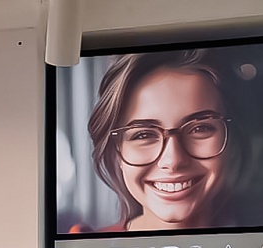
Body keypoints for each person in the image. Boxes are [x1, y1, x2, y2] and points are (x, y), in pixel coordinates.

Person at [74, 49, 247, 233]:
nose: (173, 161)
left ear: (230, 140)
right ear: (117, 152)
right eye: (144, 135)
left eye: (199, 129)